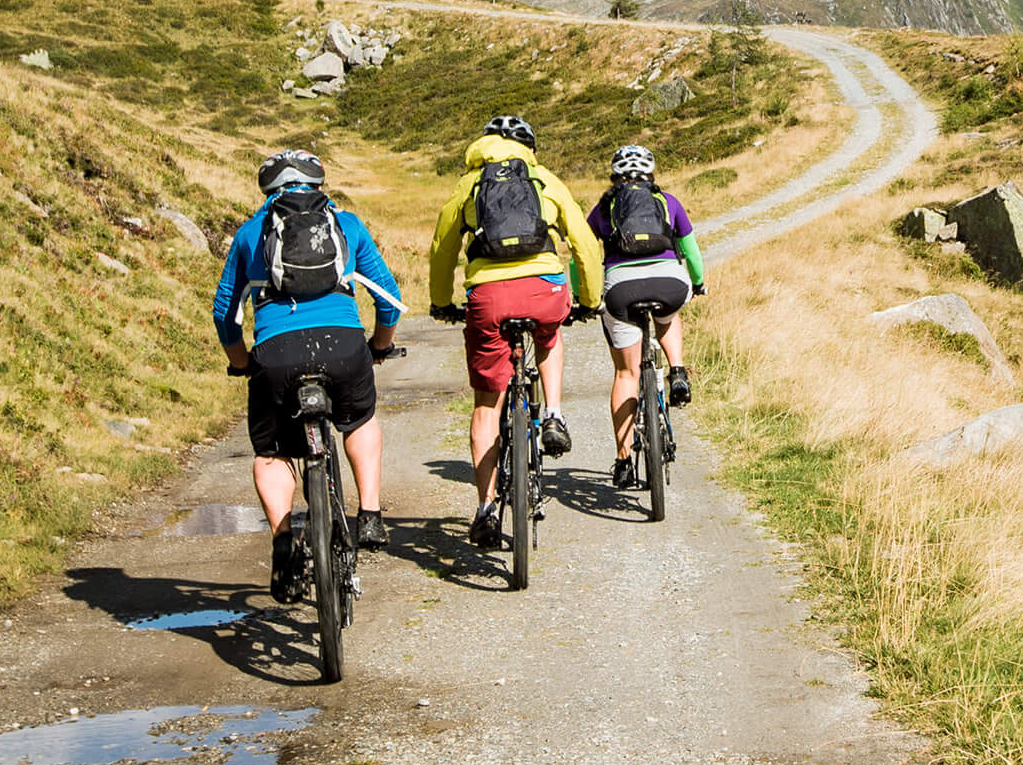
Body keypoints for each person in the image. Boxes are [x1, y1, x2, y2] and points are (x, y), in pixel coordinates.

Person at [213, 148, 403, 602]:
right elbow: (389, 299)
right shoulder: (347, 226)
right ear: (319, 187)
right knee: (358, 420)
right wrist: (379, 345)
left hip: (276, 353)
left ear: (270, 192)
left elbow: (226, 313)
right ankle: (371, 515)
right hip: (343, 345)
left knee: (271, 449)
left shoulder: (250, 234)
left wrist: (242, 363)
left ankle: (282, 542)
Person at [428, 115, 604, 548]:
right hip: (544, 288)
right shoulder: (544, 180)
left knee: (487, 402)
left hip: (488, 297)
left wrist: (440, 302)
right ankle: (555, 414)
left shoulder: (469, 186)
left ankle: (486, 508)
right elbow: (582, 240)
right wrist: (590, 298)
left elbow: (442, 248)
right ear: (531, 148)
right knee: (549, 337)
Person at [586, 144, 704, 489]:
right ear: (651, 175)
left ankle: (624, 461)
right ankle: (678, 370)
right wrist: (697, 283)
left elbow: (585, 254)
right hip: (668, 281)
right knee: (669, 314)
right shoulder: (668, 201)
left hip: (621, 289)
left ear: (615, 177)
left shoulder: (604, 208)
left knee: (626, 372)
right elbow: (692, 251)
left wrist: (586, 298)